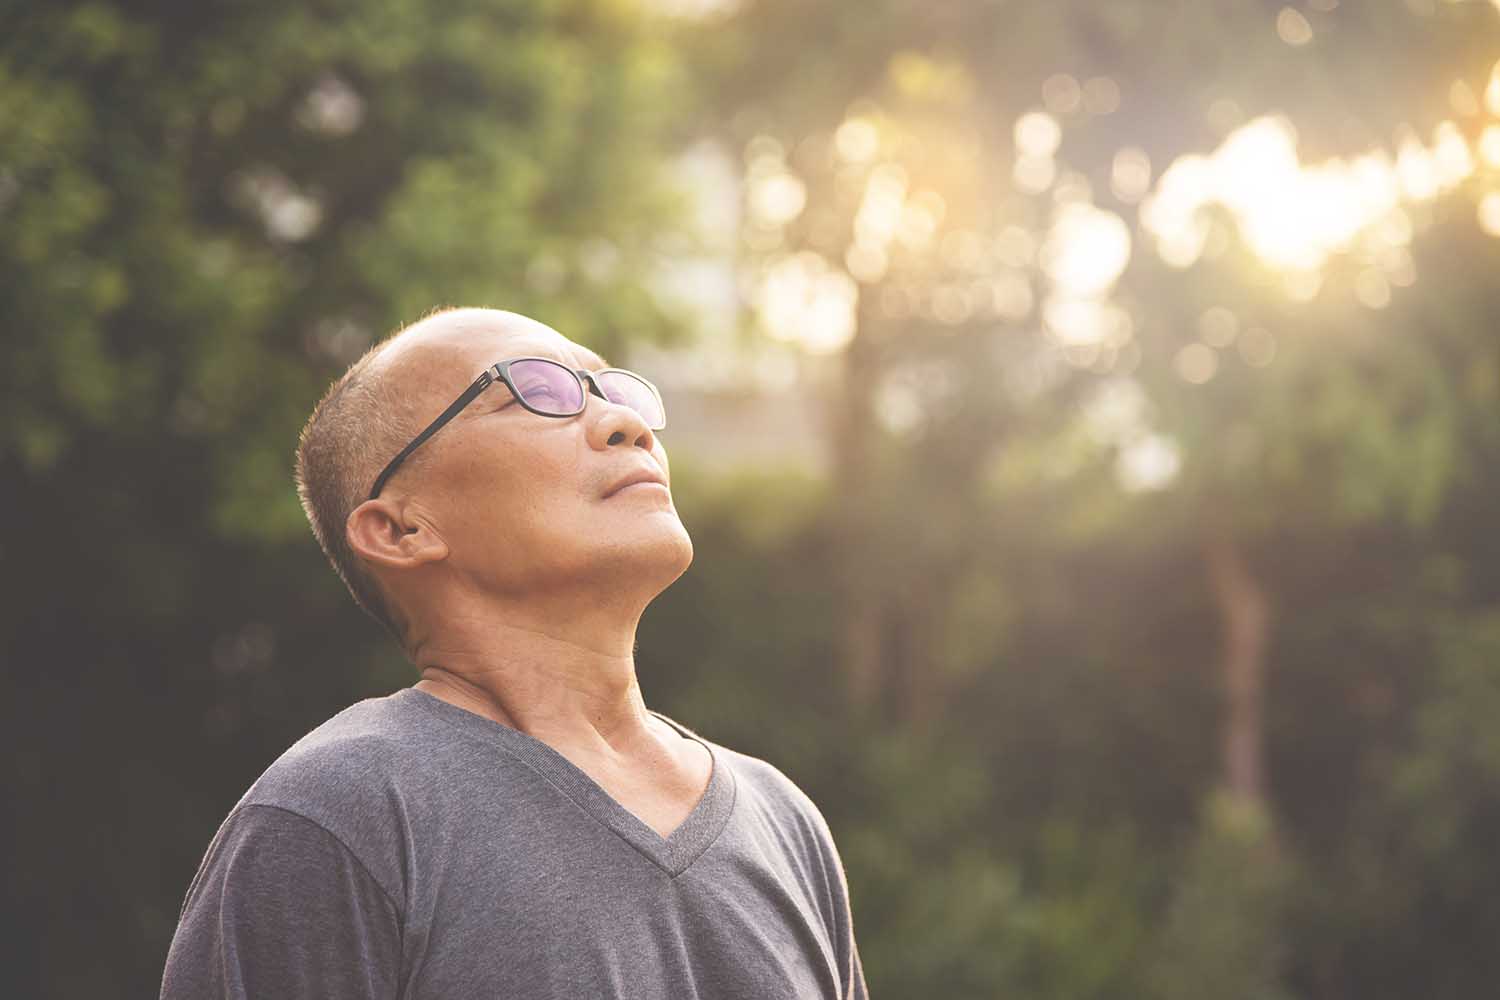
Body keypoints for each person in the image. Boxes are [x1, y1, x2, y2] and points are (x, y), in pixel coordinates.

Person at [160, 307, 869, 999]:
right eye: (537, 390)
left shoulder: (783, 820)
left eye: (611, 390)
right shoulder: (335, 820)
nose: (626, 424)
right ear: (402, 530)